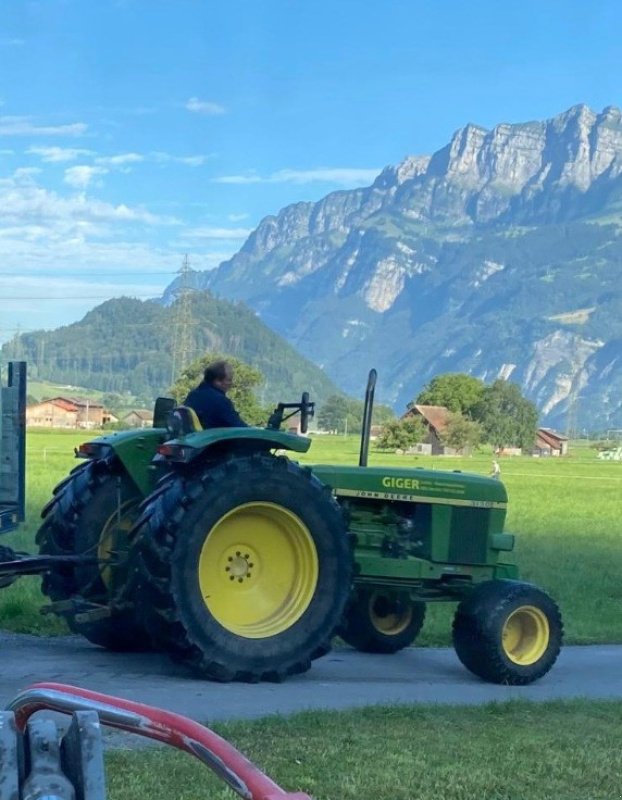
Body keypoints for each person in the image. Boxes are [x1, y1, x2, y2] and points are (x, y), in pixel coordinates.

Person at [184, 360, 248, 429]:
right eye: (229, 380)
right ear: (217, 381)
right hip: (214, 439)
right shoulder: (220, 401)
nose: (231, 384)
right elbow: (241, 428)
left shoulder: (192, 395)